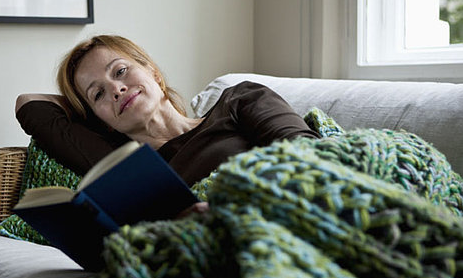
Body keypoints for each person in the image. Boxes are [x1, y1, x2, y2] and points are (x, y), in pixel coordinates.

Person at [16, 35, 320, 216]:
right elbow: (29, 104)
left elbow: (308, 153)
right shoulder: (127, 166)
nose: (115, 89)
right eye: (98, 93)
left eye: (120, 72)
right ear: (100, 121)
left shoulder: (238, 101)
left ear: (154, 74)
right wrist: (89, 110)